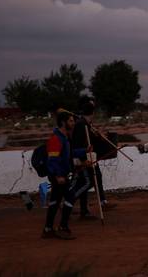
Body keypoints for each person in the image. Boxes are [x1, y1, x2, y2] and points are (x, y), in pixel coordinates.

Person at [42, 111, 91, 239]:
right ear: (63, 123)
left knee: (55, 200)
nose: (73, 123)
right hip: (59, 176)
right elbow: (52, 160)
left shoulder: (64, 138)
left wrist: (84, 150)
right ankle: (61, 227)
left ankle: (48, 229)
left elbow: (69, 153)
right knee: (68, 197)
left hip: (61, 175)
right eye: (70, 121)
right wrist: (58, 176)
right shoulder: (56, 139)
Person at [71, 97, 113, 219]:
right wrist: (84, 160)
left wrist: (98, 136)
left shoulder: (86, 124)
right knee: (87, 183)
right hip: (83, 159)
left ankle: (85, 211)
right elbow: (78, 144)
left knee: (92, 180)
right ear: (93, 113)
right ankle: (69, 201)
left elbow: (89, 140)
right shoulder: (81, 125)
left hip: (89, 157)